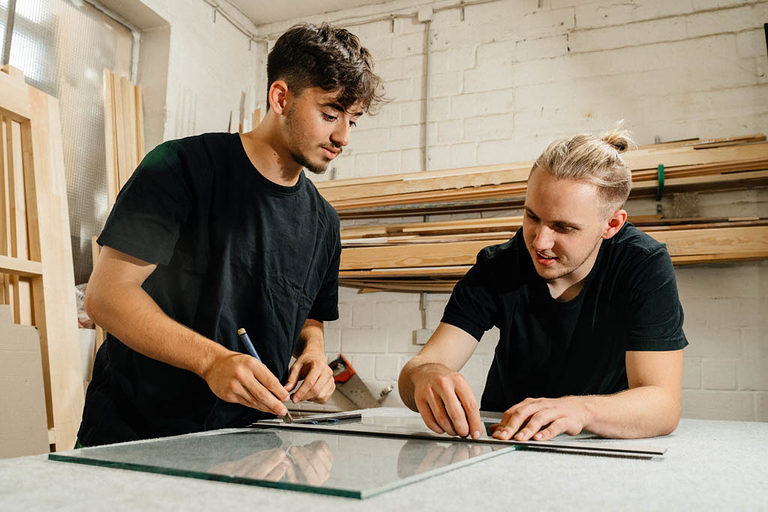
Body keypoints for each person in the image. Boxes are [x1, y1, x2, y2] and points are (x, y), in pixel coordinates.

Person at [79, 23, 383, 446]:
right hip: (137, 436)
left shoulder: (324, 223)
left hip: (249, 446)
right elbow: (107, 296)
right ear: (281, 98)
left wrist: (313, 351)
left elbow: (308, 315)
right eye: (330, 114)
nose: (343, 137)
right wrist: (211, 361)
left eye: (353, 120)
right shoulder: (180, 167)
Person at [398, 129, 688, 442]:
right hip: (506, 441)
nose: (540, 241)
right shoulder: (500, 265)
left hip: (598, 445)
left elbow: (663, 404)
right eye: (532, 216)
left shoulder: (642, 264)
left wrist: (580, 411)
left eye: (563, 227)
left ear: (612, 225)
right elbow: (416, 372)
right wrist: (424, 375)